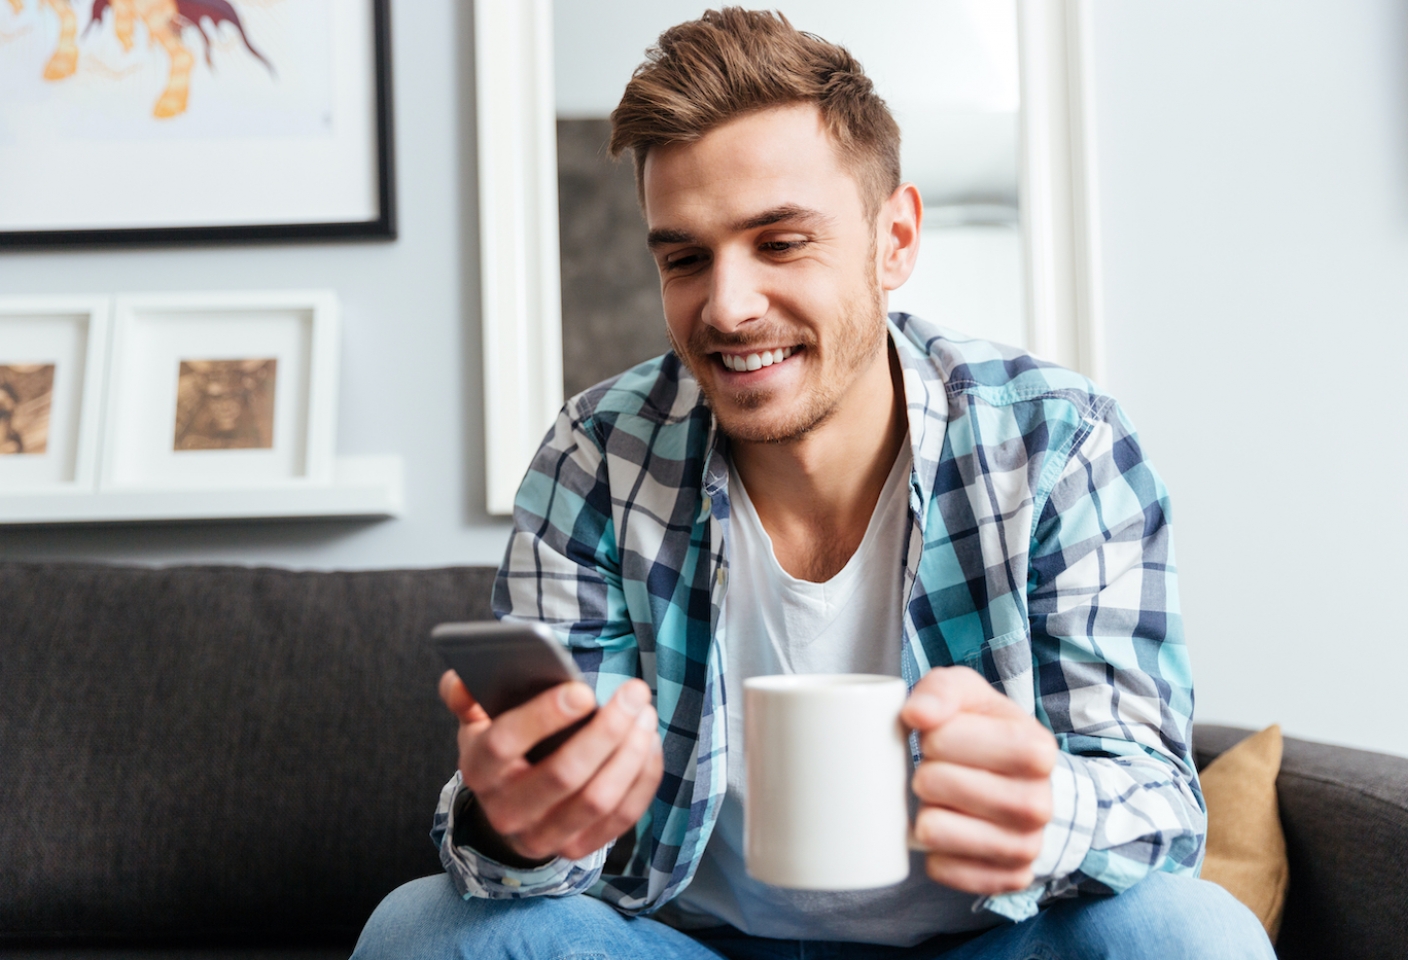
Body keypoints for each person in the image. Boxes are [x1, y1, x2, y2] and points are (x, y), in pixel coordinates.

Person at [353, 9, 1274, 959]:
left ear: (895, 239)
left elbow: (1161, 810)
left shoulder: (1058, 445)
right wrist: (516, 823)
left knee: (1188, 932)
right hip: (689, 947)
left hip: (985, 944)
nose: (728, 305)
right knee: (421, 931)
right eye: (684, 257)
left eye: (781, 242)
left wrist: (1056, 807)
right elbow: (543, 857)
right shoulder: (597, 456)